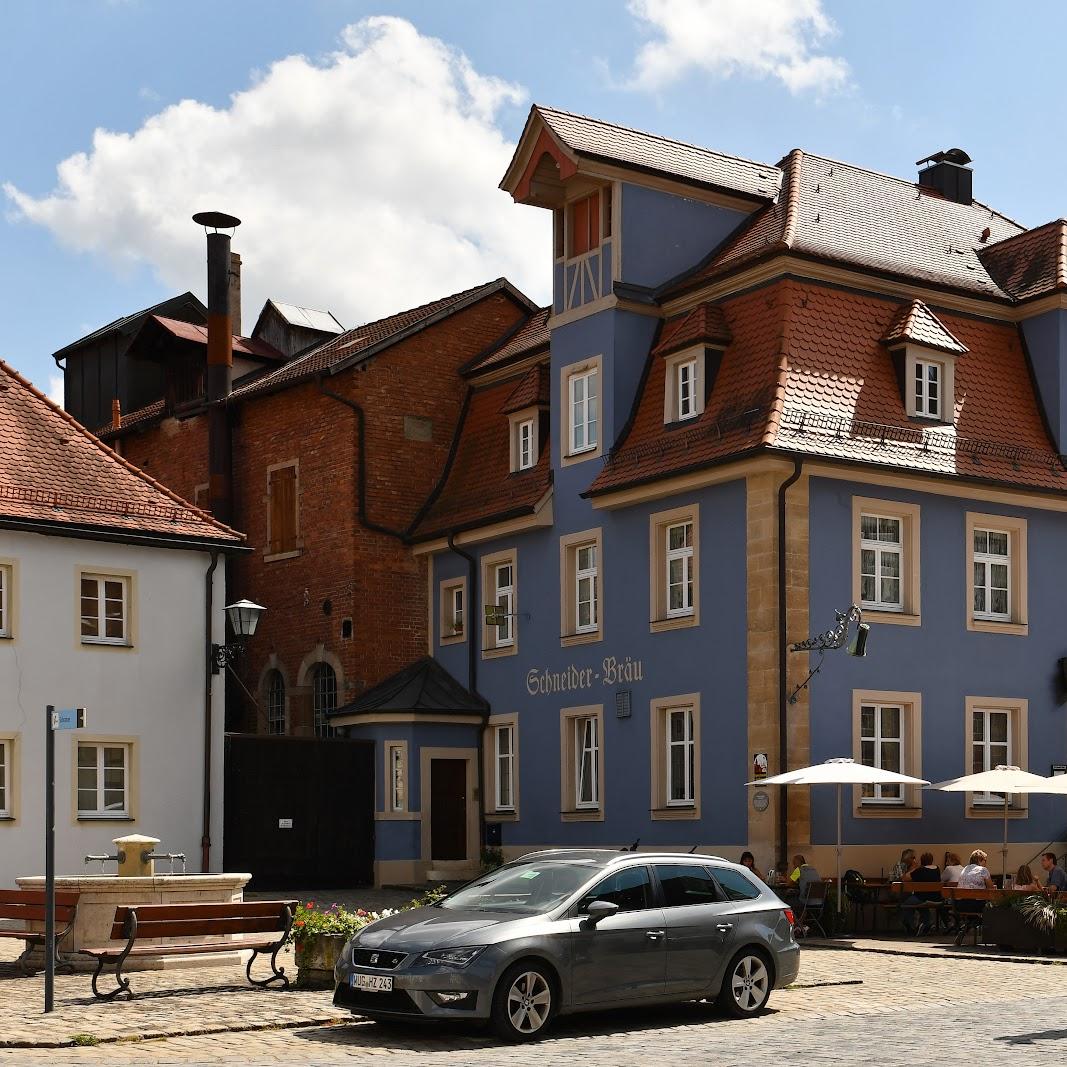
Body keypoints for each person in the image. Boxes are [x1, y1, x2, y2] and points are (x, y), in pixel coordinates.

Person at [901, 852, 941, 935]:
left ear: (922, 860)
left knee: (906, 904)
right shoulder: (937, 869)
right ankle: (927, 923)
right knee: (922, 906)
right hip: (935, 898)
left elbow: (904, 878)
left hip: (921, 898)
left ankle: (911, 926)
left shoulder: (920, 870)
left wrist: (914, 867)